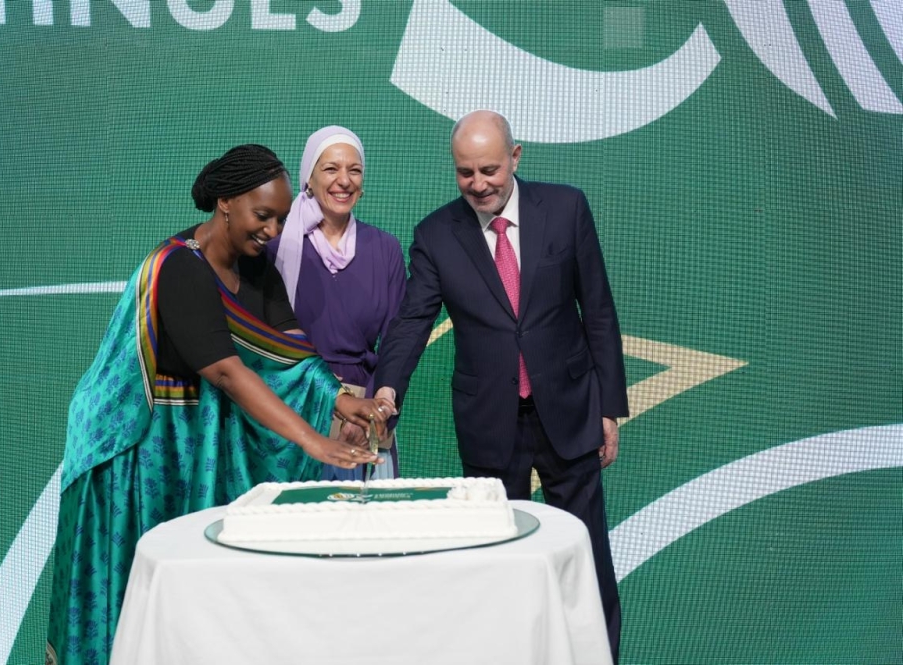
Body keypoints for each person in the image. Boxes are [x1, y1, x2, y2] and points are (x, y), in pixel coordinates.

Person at [46, 144, 386, 665]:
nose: (272, 231)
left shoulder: (258, 271)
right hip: (142, 450)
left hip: (198, 444)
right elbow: (228, 372)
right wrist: (312, 439)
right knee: (139, 597)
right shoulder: (179, 269)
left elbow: (294, 355)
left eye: (279, 218)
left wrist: (345, 403)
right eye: (262, 216)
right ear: (226, 203)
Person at [373, 110, 629, 661]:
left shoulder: (565, 209)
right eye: (465, 172)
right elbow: (413, 322)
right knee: (497, 563)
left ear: (515, 157)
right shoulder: (436, 234)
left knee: (586, 559)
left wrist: (609, 407)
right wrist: (387, 391)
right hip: (490, 422)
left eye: (489, 169)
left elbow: (599, 312)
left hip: (569, 409)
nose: (478, 184)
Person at [270, 125, 406, 480]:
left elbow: (396, 343)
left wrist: (369, 416)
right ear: (308, 179)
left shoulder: (385, 249)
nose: (343, 180)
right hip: (293, 415)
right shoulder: (275, 249)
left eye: (354, 170)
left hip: (368, 420)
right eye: (331, 169)